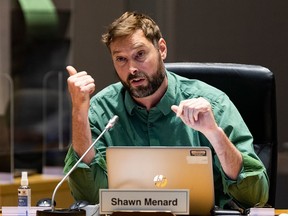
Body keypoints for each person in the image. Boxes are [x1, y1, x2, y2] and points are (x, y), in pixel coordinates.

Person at [64, 11, 269, 210]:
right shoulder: (101, 110)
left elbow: (255, 197)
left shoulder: (213, 104)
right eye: (121, 59)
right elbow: (88, 197)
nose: (132, 69)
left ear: (161, 49)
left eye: (140, 54)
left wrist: (214, 133)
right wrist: (79, 112)